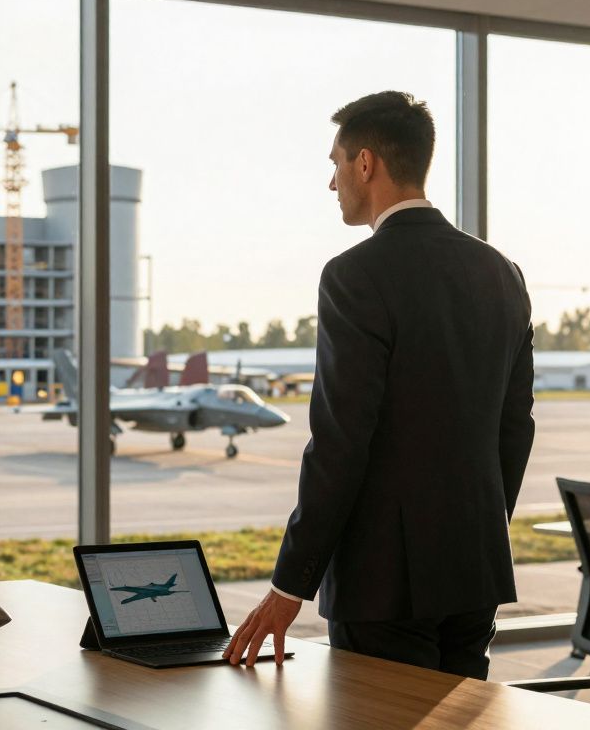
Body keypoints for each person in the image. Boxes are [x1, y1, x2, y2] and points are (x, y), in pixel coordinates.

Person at [224, 91, 534, 680]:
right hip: (475, 570)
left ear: (365, 163)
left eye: (335, 162)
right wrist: (479, 532)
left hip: (383, 582)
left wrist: (291, 584)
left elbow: (341, 443)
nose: (332, 181)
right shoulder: (502, 274)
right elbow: (514, 428)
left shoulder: (354, 275)